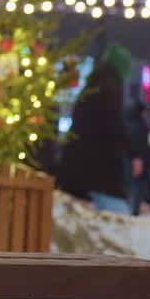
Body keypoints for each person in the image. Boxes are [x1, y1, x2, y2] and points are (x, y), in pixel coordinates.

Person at [55, 47, 131, 214]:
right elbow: (113, 125)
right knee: (117, 216)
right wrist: (131, 151)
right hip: (98, 171)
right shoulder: (110, 89)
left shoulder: (92, 85)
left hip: (77, 167)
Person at [125, 103, 150, 215]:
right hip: (141, 163)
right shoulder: (142, 128)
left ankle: (131, 211)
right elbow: (148, 146)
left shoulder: (126, 126)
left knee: (132, 189)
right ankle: (134, 212)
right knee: (138, 188)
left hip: (127, 164)